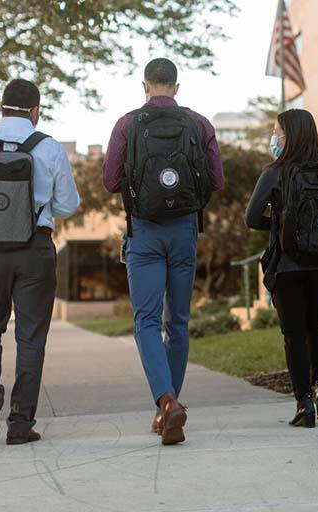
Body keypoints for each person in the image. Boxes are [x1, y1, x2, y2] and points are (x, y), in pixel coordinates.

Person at [0, 78, 80, 444]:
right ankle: (21, 424)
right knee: (31, 337)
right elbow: (69, 205)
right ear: (36, 110)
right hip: (35, 249)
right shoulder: (49, 147)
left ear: (0, 107)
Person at [102, 58, 224, 445]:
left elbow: (109, 181)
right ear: (176, 86)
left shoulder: (127, 123)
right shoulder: (198, 123)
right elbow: (217, 180)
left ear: (145, 86)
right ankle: (168, 406)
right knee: (179, 322)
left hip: (145, 233)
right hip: (185, 228)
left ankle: (167, 402)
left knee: (146, 322)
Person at [245, 109, 318, 428]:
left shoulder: (276, 173)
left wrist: (280, 225)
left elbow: (252, 218)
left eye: (276, 131)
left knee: (294, 334)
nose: (273, 137)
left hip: (289, 265)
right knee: (316, 328)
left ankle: (304, 404)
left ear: (289, 136)